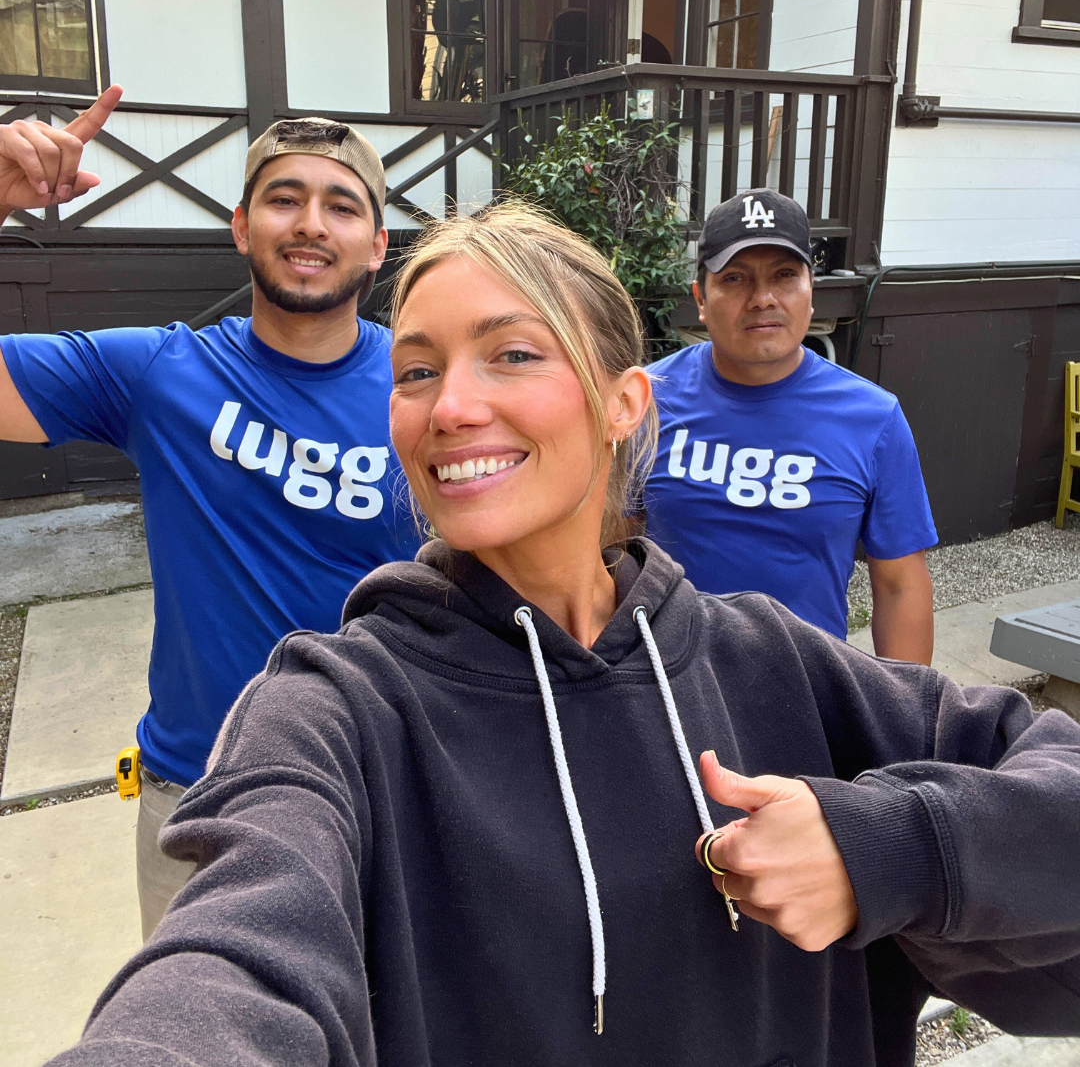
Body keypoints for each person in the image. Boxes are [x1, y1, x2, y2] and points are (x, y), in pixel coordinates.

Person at [47, 203, 1080, 1067]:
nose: (451, 405)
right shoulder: (332, 712)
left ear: (625, 402)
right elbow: (235, 955)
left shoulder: (782, 669)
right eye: (413, 372)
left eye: (512, 354)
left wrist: (895, 844)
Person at [0, 90, 418, 937]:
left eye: (342, 205)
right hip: (197, 794)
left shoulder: (429, 389)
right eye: (283, 198)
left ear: (376, 247)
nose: (310, 223)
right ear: (240, 227)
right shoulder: (160, 373)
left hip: (381, 784)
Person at [644, 189, 936, 663]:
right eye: (735, 278)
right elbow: (611, 548)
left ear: (810, 291)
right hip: (668, 686)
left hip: (807, 691)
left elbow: (900, 585)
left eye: (784, 276)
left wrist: (905, 720)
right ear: (701, 297)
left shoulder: (874, 419)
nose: (762, 299)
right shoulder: (646, 400)